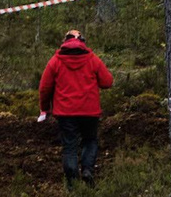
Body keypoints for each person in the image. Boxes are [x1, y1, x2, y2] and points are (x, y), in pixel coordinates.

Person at [37, 30, 114, 185]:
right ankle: (87, 170)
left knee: (69, 147)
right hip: (90, 112)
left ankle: (73, 185)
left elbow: (44, 88)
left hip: (65, 113)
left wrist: (44, 109)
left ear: (65, 41)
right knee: (90, 140)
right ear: (82, 41)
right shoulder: (92, 59)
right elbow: (107, 82)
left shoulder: (55, 61)